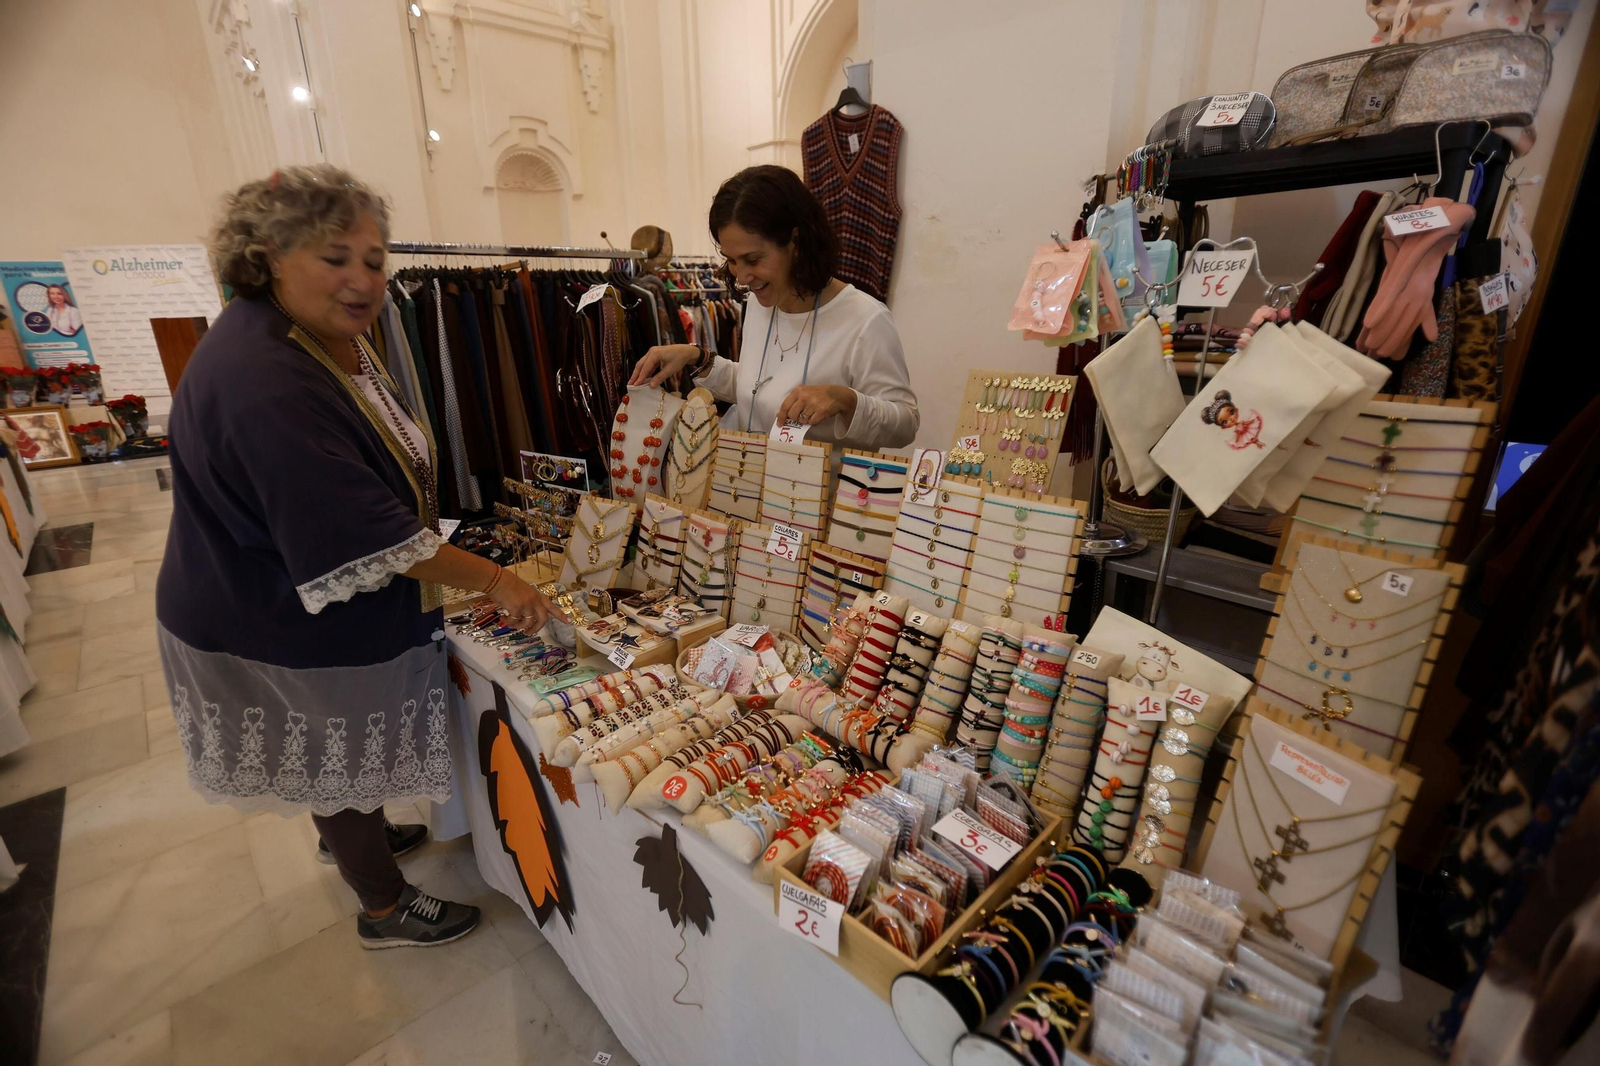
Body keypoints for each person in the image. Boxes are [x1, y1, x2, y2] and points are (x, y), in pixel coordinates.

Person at [156, 164, 561, 949]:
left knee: (328, 750)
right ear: (268, 254)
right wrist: (496, 580)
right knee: (328, 737)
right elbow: (364, 532)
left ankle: (353, 832)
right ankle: (382, 906)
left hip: (273, 591)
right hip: (269, 610)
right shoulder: (264, 374)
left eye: (375, 260)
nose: (362, 280)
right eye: (335, 257)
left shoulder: (304, 335)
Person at [628, 165, 918, 449]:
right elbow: (759, 388)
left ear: (796, 242)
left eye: (753, 260)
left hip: (821, 495)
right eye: (731, 260)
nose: (741, 277)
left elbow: (906, 423)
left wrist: (846, 399)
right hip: (747, 488)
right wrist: (697, 357)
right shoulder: (759, 304)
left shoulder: (865, 319)